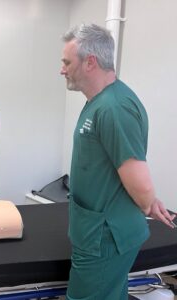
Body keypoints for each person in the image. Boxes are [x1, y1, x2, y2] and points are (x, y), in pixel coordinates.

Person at [60, 23, 176, 300]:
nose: (61, 69)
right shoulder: (98, 102)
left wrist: (148, 200)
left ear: (90, 62)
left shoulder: (114, 108)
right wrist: (147, 199)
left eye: (66, 62)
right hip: (94, 231)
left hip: (104, 238)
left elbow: (141, 186)